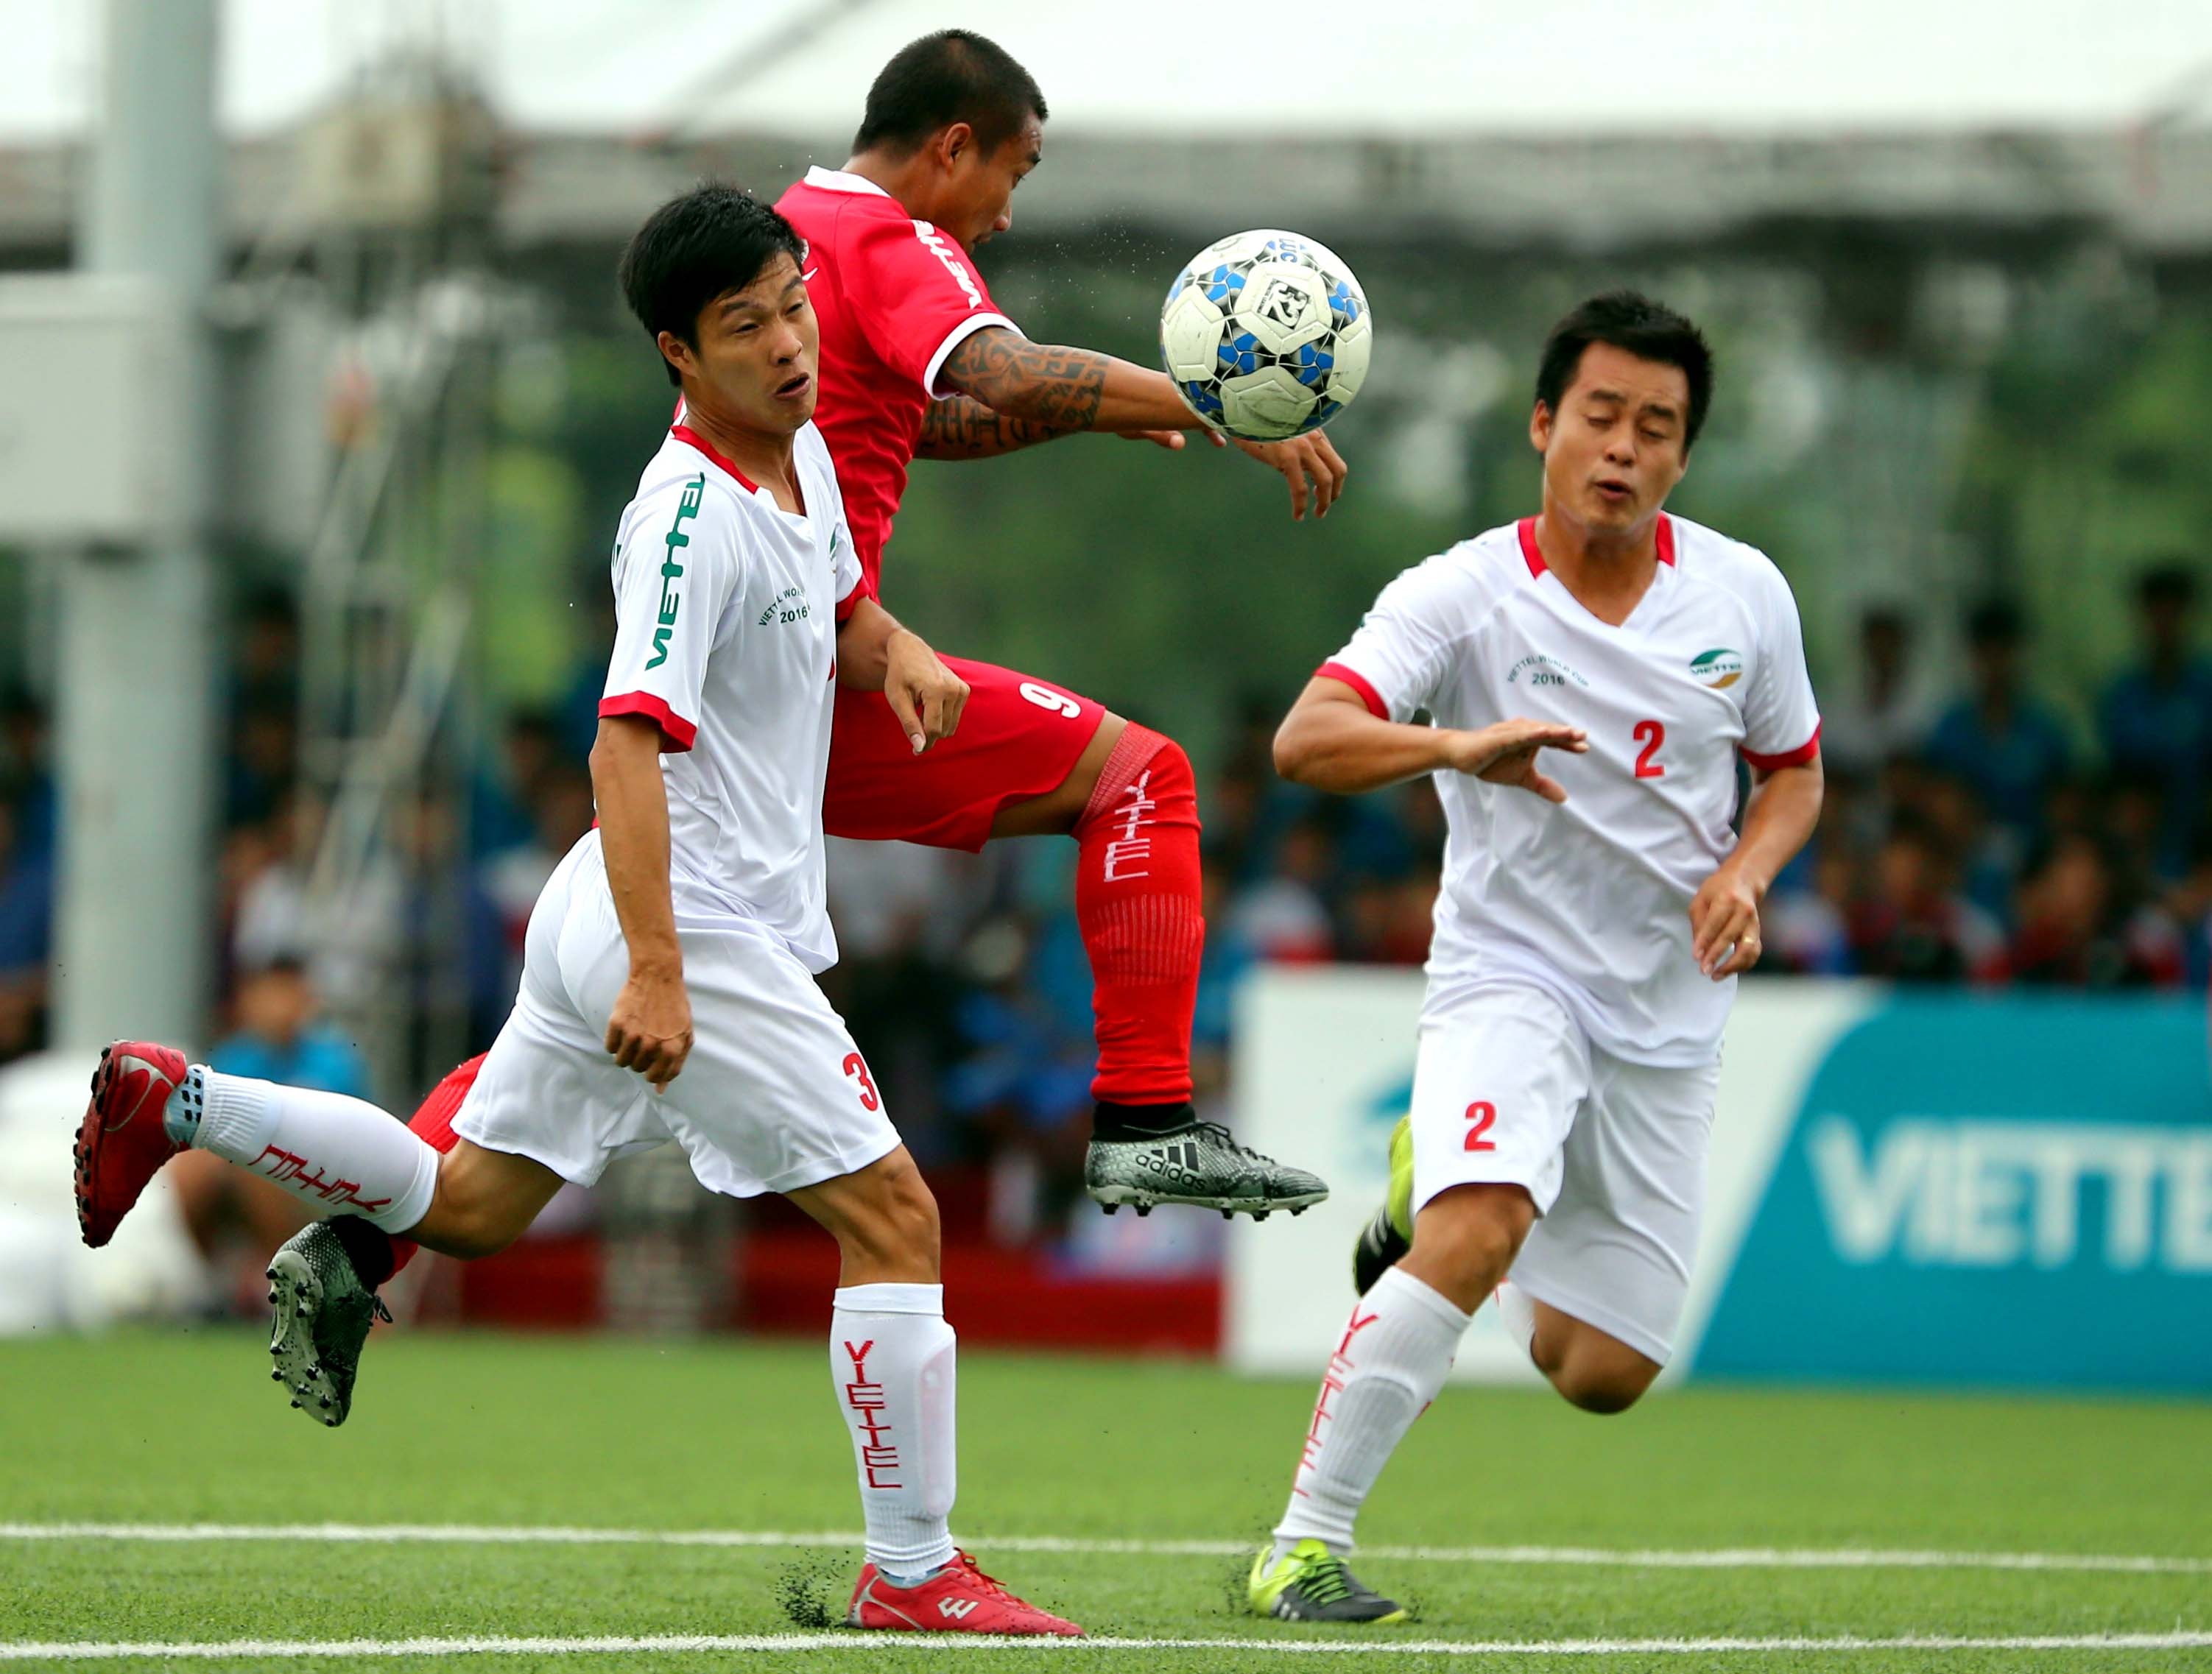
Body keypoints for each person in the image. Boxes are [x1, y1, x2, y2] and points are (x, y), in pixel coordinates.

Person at [72, 186, 1080, 1638]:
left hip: (625, 908)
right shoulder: (681, 519)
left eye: (794, 306)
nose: (790, 344)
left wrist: (897, 647)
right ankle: (913, 1572)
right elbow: (622, 744)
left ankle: (178, 1101)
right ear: (679, 352)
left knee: (469, 1206)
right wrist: (660, 969)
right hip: (677, 915)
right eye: (747, 326)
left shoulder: (798, 445)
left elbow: (834, 605)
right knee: (896, 1216)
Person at [1244, 293, 1823, 1623]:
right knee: (1481, 1222)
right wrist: (1457, 745)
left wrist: (1747, 871)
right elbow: (1305, 738)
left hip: (1668, 1008)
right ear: (1544, 424)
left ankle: (1437, 1183)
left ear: (1684, 455)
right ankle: (1301, 1544)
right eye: (1601, 416)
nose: (1623, 447)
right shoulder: (1460, 595)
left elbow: (1794, 772)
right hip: (1512, 973)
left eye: (1656, 427)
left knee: (1604, 1369)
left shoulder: (1745, 594)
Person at [766, 28, 1334, 1218]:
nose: (1007, 214)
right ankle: (1146, 1123)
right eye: (1013, 173)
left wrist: (1100, 412)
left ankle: (374, 1230)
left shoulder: (793, 232)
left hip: (728, 686)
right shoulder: (895, 236)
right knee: (1143, 778)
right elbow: (1009, 374)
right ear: (952, 146)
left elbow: (921, 422)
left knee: (568, 1024)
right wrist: (1227, 402)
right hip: (812, 679)